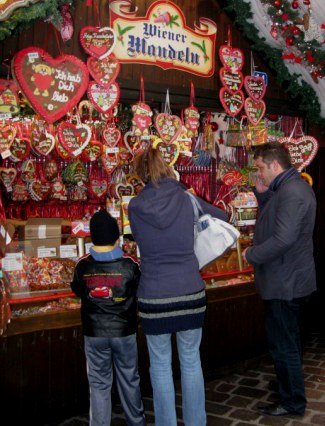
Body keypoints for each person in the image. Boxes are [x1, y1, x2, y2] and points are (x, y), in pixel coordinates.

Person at [128, 147, 227, 426]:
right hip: (189, 289)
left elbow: (139, 239)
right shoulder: (187, 199)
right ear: (168, 168)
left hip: (154, 293)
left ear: (141, 174)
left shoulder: (135, 206)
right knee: (191, 361)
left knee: (159, 365)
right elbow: (223, 217)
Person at [243, 141, 316, 417]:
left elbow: (284, 238)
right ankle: (289, 388)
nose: (258, 173)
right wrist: (262, 196)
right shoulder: (287, 188)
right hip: (286, 279)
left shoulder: (292, 191)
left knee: (284, 345)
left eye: (260, 167)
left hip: (286, 282)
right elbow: (278, 221)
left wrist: (252, 254)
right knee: (286, 342)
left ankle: (292, 401)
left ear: (275, 164)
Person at [70, 209, 145, 426]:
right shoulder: (130, 264)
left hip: (94, 333)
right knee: (130, 380)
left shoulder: (82, 264)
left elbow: (76, 290)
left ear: (92, 236)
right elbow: (139, 289)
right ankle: (136, 423)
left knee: (99, 384)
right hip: (124, 332)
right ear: (115, 236)